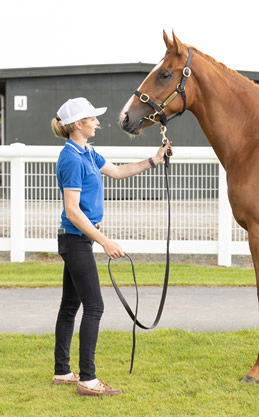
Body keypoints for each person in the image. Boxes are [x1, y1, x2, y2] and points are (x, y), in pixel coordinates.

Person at [50, 97, 172, 396]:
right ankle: (88, 381)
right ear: (78, 124)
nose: (97, 122)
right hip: (77, 240)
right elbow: (73, 211)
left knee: (70, 306)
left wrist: (154, 159)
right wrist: (105, 242)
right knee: (95, 306)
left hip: (79, 240)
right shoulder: (71, 158)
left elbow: (117, 171)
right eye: (91, 118)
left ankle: (63, 371)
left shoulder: (88, 153)